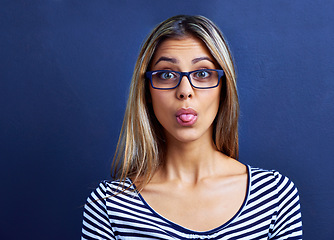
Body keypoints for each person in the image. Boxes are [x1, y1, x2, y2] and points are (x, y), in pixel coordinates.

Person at [81, 15, 302, 239]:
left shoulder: (274, 196)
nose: (185, 91)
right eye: (166, 74)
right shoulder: (110, 206)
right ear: (147, 91)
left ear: (223, 89)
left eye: (202, 73)